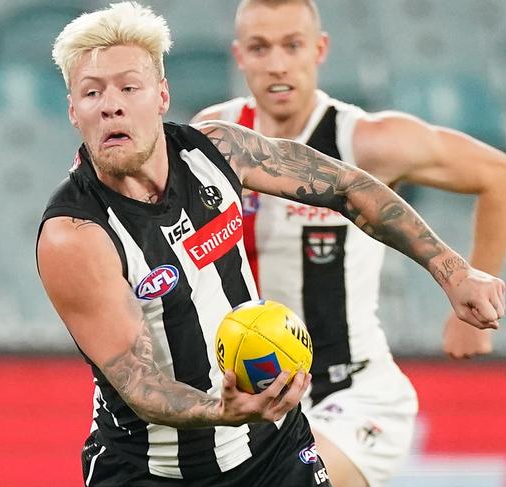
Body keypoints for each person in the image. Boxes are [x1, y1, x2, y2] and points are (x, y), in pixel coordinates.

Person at [37, 2, 504, 486]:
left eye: (128, 87)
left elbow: (346, 187)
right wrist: (225, 407)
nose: (110, 103)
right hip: (151, 468)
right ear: (74, 110)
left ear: (161, 95)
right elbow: (140, 384)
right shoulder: (74, 234)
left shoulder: (217, 149)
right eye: (92, 92)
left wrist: (454, 272)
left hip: (278, 438)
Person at [192, 0, 506, 486]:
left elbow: (497, 175)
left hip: (354, 390)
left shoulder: (368, 141)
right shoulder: (212, 137)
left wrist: (472, 312)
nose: (277, 63)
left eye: (292, 45)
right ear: (239, 55)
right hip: (256, 394)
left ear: (319, 49)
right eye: (260, 47)